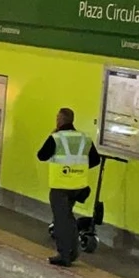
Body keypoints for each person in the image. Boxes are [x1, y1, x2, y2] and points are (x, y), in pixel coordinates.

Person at [36, 107, 100, 266]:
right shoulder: (84, 138)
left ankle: (64, 255)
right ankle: (72, 252)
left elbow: (41, 155)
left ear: (59, 120)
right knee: (68, 218)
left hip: (61, 186)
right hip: (78, 186)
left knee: (61, 221)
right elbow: (95, 160)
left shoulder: (56, 138)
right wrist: (78, 169)